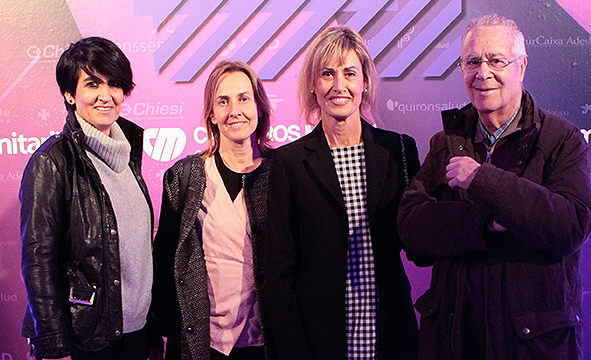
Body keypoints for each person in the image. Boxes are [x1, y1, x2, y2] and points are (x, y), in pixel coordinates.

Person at [397, 14, 591, 359]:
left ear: (521, 67)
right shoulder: (446, 141)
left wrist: (482, 180)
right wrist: (486, 224)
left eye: (496, 60)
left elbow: (569, 226)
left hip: (531, 345)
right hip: (453, 341)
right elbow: (411, 228)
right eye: (472, 62)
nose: (483, 73)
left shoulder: (561, 138)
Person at [265, 26, 420, 360]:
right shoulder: (287, 163)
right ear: (312, 84)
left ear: (364, 82)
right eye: (327, 74)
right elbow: (277, 272)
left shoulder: (399, 151)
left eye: (349, 73)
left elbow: (420, 244)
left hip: (389, 331)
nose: (339, 86)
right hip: (320, 337)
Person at [20, 37, 155, 360]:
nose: (106, 96)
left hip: (134, 336)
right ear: (70, 93)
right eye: (93, 84)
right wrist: (54, 346)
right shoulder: (52, 161)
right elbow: (38, 260)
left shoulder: (128, 155)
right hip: (83, 340)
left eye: (115, 84)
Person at [151, 60, 274, 360]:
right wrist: (158, 331)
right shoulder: (185, 177)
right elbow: (165, 260)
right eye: (223, 101)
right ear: (211, 113)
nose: (235, 110)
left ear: (259, 107)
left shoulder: (284, 173)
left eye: (244, 98)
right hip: (203, 344)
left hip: (266, 342)